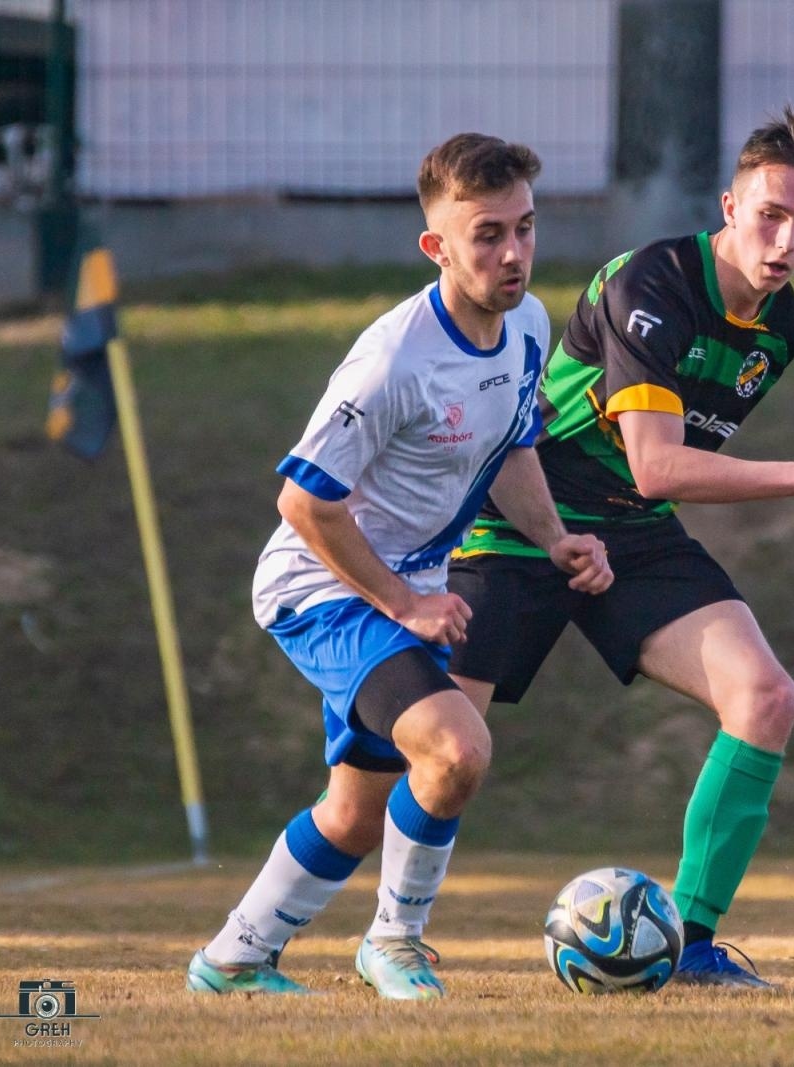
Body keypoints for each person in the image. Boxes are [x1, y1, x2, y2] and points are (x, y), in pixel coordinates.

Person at [447, 107, 794, 990]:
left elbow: (655, 480)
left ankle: (688, 944)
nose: (785, 240)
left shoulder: (780, 329)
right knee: (436, 750)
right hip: (520, 518)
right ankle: (360, 929)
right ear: (729, 204)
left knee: (766, 697)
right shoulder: (652, 280)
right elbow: (659, 464)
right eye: (769, 214)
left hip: (632, 531)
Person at [186, 133, 612, 999]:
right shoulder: (393, 360)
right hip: (320, 587)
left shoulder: (529, 326)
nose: (514, 252)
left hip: (398, 587)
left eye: (525, 228)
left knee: (354, 811)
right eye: (488, 233)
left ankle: (232, 958)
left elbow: (515, 443)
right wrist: (406, 601)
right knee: (457, 751)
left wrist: (555, 536)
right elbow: (304, 503)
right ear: (437, 246)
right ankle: (395, 941)